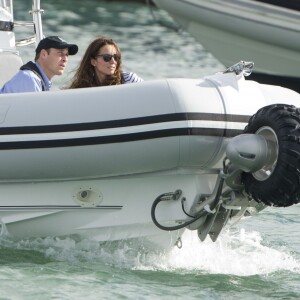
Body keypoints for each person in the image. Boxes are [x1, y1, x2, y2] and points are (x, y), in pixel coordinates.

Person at [0, 36, 78, 94]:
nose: (65, 59)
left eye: (67, 55)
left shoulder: (36, 80)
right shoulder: (29, 79)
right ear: (44, 54)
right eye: (60, 53)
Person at [68, 36, 143, 89]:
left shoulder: (129, 80)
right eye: (107, 58)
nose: (113, 61)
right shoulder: (81, 89)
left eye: (116, 57)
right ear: (93, 61)